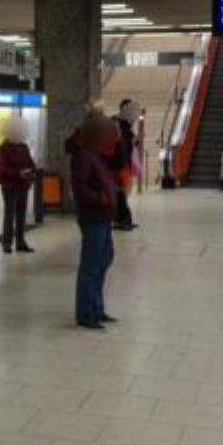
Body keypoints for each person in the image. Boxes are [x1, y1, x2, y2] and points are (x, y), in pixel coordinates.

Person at [69, 116, 120, 330]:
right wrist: (101, 198)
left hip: (103, 218)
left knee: (102, 262)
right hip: (93, 218)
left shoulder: (96, 156)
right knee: (91, 266)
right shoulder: (83, 157)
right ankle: (86, 313)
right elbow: (79, 188)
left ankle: (97, 309)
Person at [0, 117, 37, 254]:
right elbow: (1, 169)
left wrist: (30, 172)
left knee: (21, 215)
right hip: (10, 187)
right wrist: (18, 173)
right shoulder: (3, 149)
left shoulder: (24, 147)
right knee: (9, 215)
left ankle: (20, 242)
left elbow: (31, 164)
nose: (20, 135)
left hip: (23, 186)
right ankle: (7, 243)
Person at [113, 99, 140, 230]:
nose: (135, 115)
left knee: (122, 193)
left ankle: (122, 219)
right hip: (118, 164)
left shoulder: (125, 126)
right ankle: (125, 220)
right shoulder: (117, 124)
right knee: (121, 193)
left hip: (123, 164)